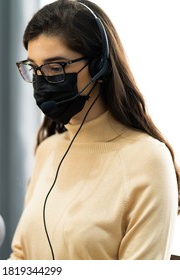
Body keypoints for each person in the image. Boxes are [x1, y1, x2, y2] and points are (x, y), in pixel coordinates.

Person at [11, 0, 179, 260]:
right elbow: (21, 256)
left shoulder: (148, 160)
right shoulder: (48, 150)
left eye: (55, 68)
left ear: (99, 65)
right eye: (34, 68)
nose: (42, 81)